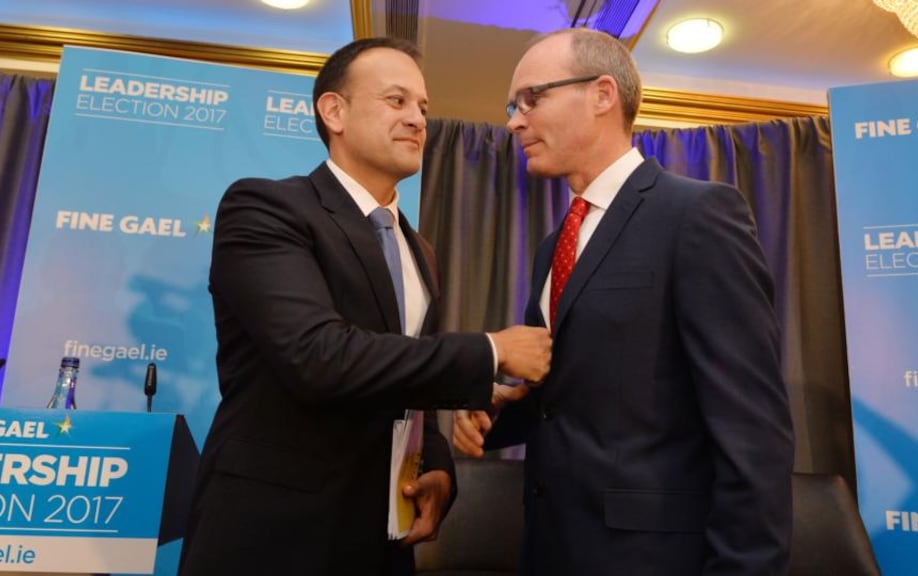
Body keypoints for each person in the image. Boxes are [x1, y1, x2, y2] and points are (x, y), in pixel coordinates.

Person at [178, 37, 551, 576]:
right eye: (396, 101)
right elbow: (318, 356)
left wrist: (439, 468)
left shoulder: (419, 249)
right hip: (274, 535)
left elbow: (408, 373)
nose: (418, 119)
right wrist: (492, 351)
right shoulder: (266, 206)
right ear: (334, 111)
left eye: (423, 107)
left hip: (382, 540)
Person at [454, 29, 794, 575]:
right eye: (511, 107)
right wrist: (501, 413)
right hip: (549, 546)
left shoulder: (698, 214)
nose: (514, 120)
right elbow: (570, 397)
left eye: (531, 99)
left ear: (602, 94)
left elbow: (752, 429)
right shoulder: (553, 246)